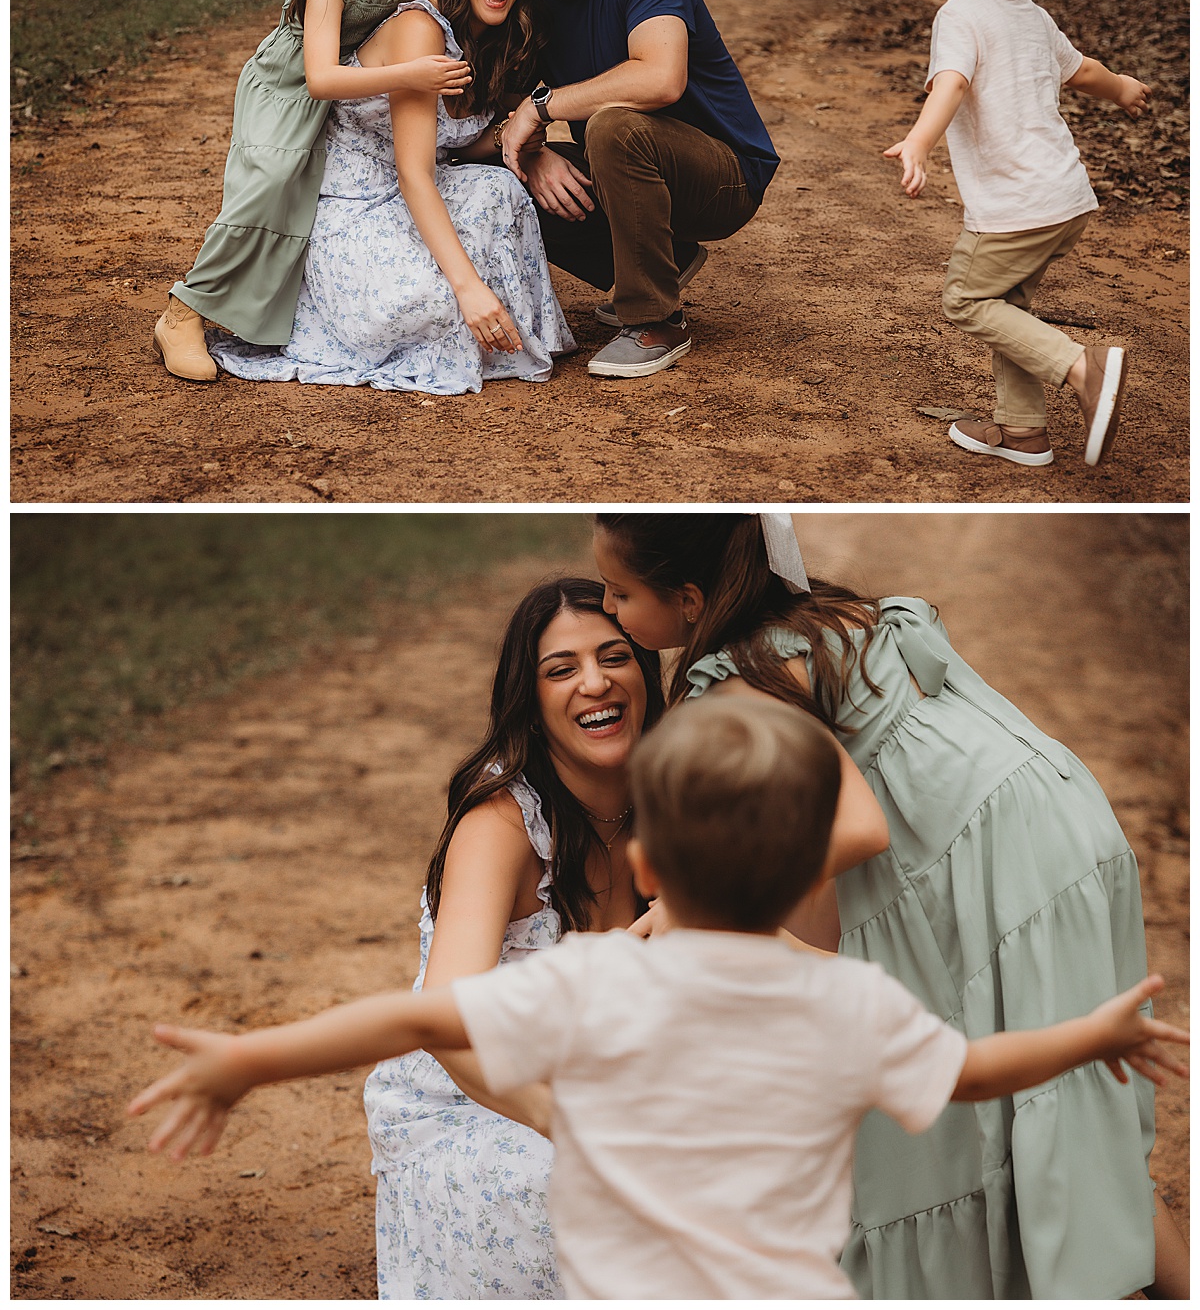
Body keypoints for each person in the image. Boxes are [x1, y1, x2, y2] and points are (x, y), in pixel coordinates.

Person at [127, 697, 1188, 1301]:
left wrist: (252, 1058)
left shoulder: (601, 981)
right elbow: (973, 1071)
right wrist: (1085, 1032)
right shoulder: (842, 996)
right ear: (798, 882)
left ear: (645, 868)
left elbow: (412, 1018)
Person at [591, 511, 1189, 1299]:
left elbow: (858, 827)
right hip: (1060, 814)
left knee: (1052, 1132)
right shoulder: (819, 615)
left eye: (621, 592)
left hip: (1002, 864)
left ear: (691, 598)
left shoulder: (738, 684)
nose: (608, 606)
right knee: (1074, 1118)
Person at [360, 575, 662, 1297]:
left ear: (646, 671)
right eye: (562, 668)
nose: (595, 682)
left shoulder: (673, 799)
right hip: (476, 1104)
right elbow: (445, 1021)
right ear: (532, 698)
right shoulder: (500, 823)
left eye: (614, 656)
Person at [207, 0, 574, 394]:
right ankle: (463, 311)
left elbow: (466, 142)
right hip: (354, 212)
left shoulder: (497, 36)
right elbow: (415, 174)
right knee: (432, 302)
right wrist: (468, 290)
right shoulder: (421, 31)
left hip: (407, 200)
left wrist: (523, 138)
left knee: (499, 189)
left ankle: (483, 319)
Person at [154, 0, 471, 381]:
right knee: (271, 183)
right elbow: (320, 77)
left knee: (306, 198)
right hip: (286, 85)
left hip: (340, 86)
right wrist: (412, 73)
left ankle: (263, 311)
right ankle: (182, 313)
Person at [884, 0, 1152, 469]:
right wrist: (1123, 89)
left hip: (1014, 209)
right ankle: (1023, 430)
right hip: (1065, 199)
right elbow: (1082, 71)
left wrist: (918, 142)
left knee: (966, 298)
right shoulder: (1031, 14)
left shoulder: (959, 16)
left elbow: (950, 84)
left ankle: (1085, 369)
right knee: (1008, 305)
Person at [497, 0, 780, 379]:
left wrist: (541, 108)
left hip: (723, 176)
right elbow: (492, 102)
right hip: (624, 178)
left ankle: (657, 319)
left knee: (614, 126)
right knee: (497, 169)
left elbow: (660, 78)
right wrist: (532, 156)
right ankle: (662, 258)